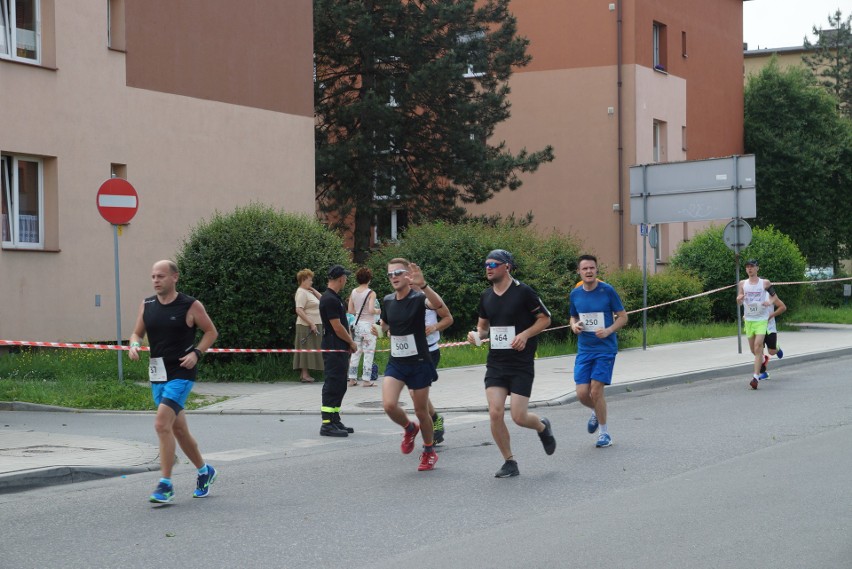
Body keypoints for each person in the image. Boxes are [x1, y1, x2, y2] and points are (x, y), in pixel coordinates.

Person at [128, 260, 219, 503]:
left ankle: (165, 484)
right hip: (158, 374)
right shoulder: (147, 305)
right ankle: (204, 471)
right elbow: (137, 333)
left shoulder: (190, 305)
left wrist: (196, 353)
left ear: (175, 277)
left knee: (160, 424)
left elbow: (211, 332)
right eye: (153, 276)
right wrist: (134, 345)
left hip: (181, 374)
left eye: (161, 276)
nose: (156, 280)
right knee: (177, 429)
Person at [467, 249, 555, 478]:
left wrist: (525, 335)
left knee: (518, 416)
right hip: (496, 362)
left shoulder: (523, 292)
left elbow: (545, 319)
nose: (488, 267)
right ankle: (509, 462)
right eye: (486, 264)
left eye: (493, 264)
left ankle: (542, 427)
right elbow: (483, 327)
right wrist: (477, 336)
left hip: (521, 363)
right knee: (495, 413)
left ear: (507, 266)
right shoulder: (486, 296)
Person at [380, 258, 447, 471]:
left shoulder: (419, 299)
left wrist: (425, 285)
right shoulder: (388, 300)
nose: (394, 277)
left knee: (421, 411)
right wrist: (382, 329)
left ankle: (429, 451)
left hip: (419, 362)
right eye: (390, 274)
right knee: (389, 405)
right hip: (397, 362)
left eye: (398, 273)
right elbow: (386, 323)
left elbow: (438, 306)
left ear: (408, 275)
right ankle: (409, 429)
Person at [569, 254, 628, 449]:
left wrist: (609, 330)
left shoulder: (607, 290)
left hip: (605, 349)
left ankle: (604, 434)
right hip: (584, 349)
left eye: (592, 268)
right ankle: (597, 411)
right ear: (579, 271)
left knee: (596, 390)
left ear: (597, 270)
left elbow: (622, 317)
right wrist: (574, 326)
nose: (588, 271)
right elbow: (573, 316)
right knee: (582, 393)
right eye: (585, 269)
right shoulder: (575, 294)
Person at [411, 282, 454, 444]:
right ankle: (435, 420)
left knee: (416, 394)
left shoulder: (429, 299)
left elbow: (448, 318)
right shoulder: (399, 299)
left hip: (429, 352)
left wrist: (434, 327)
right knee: (415, 394)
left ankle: (432, 429)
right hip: (410, 352)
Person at [319, 264, 358, 436]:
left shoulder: (335, 298)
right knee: (333, 383)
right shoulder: (329, 299)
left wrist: (347, 344)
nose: (346, 280)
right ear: (340, 278)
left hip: (339, 347)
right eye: (345, 277)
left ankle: (335, 419)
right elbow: (337, 327)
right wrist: (351, 342)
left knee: (340, 385)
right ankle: (326, 423)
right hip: (333, 346)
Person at [736, 259, 779, 390]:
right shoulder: (742, 283)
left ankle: (755, 377)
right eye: (747, 267)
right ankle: (763, 359)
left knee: (758, 345)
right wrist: (739, 299)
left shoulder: (765, 283)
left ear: (757, 268)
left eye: (752, 267)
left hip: (761, 319)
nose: (749, 269)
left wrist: (769, 302)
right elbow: (739, 300)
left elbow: (774, 297)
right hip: (749, 320)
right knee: (754, 351)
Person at [347, 268, 379, 387]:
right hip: (368, 326)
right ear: (369, 279)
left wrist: (359, 311)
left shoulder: (353, 292)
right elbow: (371, 310)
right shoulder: (371, 293)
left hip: (357, 324)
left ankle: (352, 379)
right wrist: (378, 310)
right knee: (369, 352)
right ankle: (366, 380)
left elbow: (350, 310)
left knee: (356, 351)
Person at [293, 269, 323, 383]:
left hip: (314, 324)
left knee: (311, 347)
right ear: (303, 280)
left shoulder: (308, 292)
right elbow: (299, 310)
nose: (312, 282)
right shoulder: (301, 292)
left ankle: (304, 374)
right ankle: (304, 374)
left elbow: (322, 299)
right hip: (306, 326)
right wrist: (311, 323)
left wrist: (313, 289)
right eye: (310, 280)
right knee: (305, 348)